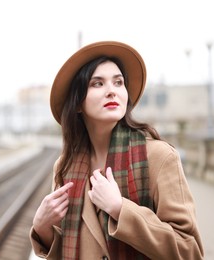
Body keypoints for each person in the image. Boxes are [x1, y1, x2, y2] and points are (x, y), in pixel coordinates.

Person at [29, 41, 204, 259]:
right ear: (76, 103)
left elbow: (189, 250)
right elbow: (68, 248)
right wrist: (42, 226)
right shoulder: (66, 166)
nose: (112, 91)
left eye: (118, 82)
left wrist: (121, 210)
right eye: (97, 84)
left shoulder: (159, 157)